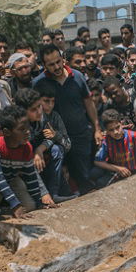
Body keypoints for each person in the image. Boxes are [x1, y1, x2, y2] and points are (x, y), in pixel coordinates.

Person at [33, 44, 101, 194]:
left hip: (80, 135)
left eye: (58, 61)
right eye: (51, 64)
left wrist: (97, 128)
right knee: (62, 180)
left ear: (63, 59)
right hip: (54, 140)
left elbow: (89, 104)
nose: (56, 67)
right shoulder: (38, 83)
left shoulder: (78, 76)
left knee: (85, 178)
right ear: (43, 65)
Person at [0, 105, 56, 216]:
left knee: (30, 206)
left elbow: (31, 178)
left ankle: (6, 212)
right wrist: (15, 204)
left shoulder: (26, 147)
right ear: (7, 132)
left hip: (11, 180)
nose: (28, 132)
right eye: (22, 129)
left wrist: (40, 202)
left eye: (28, 127)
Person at [91, 110, 136, 188]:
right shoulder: (106, 141)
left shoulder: (133, 135)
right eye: (111, 130)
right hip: (117, 172)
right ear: (106, 131)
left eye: (117, 127)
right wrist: (118, 169)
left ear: (122, 124)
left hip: (133, 171)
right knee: (95, 175)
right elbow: (97, 161)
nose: (116, 132)